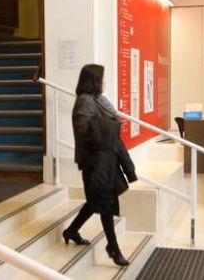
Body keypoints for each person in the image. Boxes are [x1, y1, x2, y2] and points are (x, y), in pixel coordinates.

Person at [62, 64, 138, 267]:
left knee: (97, 201)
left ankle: (71, 231)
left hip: (107, 159)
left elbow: (108, 129)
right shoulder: (84, 102)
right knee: (104, 203)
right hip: (94, 162)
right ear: (93, 80)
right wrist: (112, 124)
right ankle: (113, 247)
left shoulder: (99, 100)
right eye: (101, 78)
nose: (104, 82)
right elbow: (85, 132)